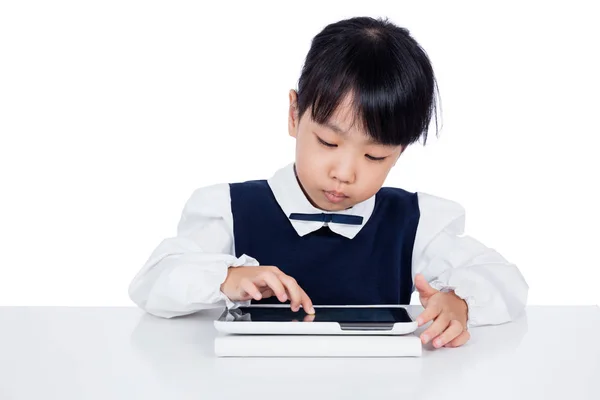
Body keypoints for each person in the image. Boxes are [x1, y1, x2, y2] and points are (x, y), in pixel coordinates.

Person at [128, 16, 529, 349]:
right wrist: (227, 277)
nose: (344, 173)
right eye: (327, 142)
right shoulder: (230, 211)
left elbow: (504, 278)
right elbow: (153, 282)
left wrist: (459, 302)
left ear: (399, 153)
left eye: (375, 156)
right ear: (293, 114)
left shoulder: (415, 222)